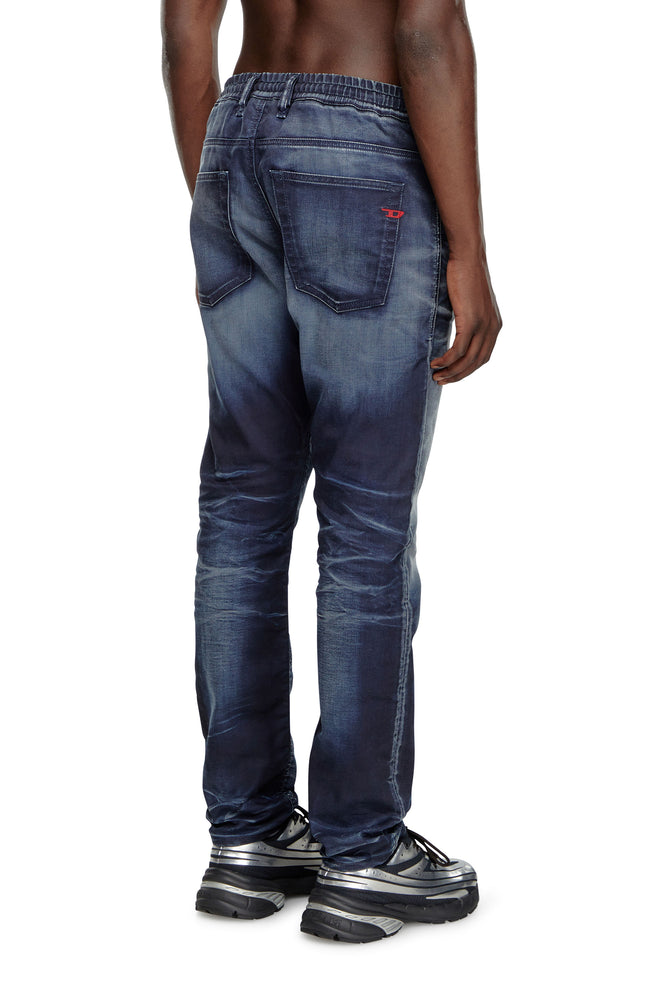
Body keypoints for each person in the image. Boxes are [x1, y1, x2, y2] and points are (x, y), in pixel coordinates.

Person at [161, 0, 502, 943]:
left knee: (239, 516)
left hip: (233, 134)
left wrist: (224, 193)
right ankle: (362, 854)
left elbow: (185, 32)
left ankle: (250, 837)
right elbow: (425, 29)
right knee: (364, 528)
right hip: (360, 137)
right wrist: (469, 251)